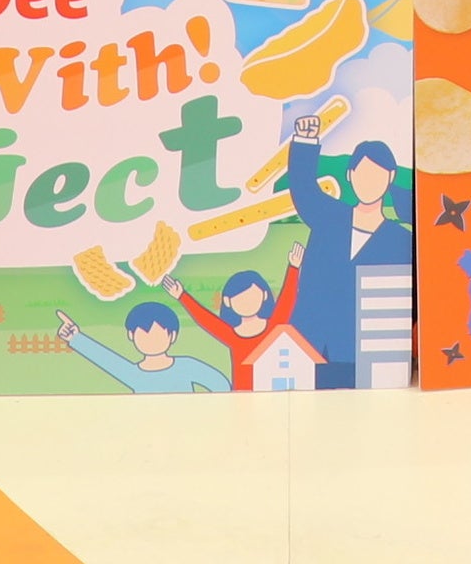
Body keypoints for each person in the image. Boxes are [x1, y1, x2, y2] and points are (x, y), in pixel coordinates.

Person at [281, 96, 410, 388]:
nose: (369, 181)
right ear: (350, 175)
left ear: (390, 177)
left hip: (360, 355)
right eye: (362, 172)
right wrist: (305, 140)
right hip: (308, 342)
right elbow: (303, 188)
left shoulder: (399, 239)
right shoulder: (328, 216)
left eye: (377, 174)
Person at [161, 262, 306, 390]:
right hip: (242, 401)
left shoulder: (273, 328)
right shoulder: (233, 336)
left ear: (264, 295)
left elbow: (286, 301)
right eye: (240, 299)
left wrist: (293, 268)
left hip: (270, 397)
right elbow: (206, 320)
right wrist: (182, 296)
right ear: (228, 302)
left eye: (252, 297)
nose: (247, 303)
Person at [53, 296, 222, 393]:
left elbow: (220, 385)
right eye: (144, 335)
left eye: (157, 335)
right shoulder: (134, 373)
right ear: (131, 335)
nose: (151, 340)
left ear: (172, 336)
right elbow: (107, 360)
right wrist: (76, 338)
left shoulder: (186, 366)